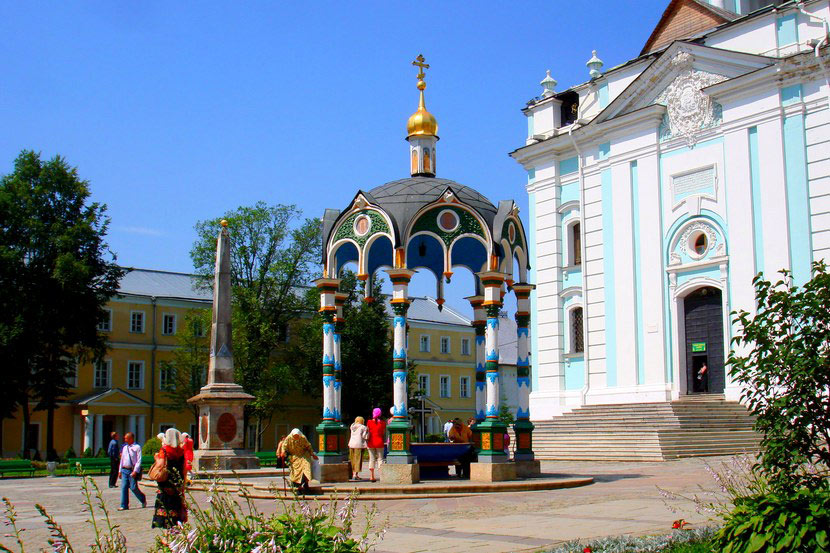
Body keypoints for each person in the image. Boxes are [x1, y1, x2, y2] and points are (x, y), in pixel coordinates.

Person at [151, 428, 187, 528]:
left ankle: (167, 537)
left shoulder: (165, 450)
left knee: (165, 515)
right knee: (175, 515)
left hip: (166, 486)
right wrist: (182, 487)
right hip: (176, 486)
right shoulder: (181, 452)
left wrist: (157, 459)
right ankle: (173, 534)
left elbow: (160, 465)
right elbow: (184, 471)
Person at [277, 428, 318, 494]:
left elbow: (308, 446)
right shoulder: (288, 438)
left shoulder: (303, 438)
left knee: (306, 469)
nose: (296, 437)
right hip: (295, 457)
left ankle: (306, 484)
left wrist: (312, 454)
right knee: (296, 472)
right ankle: (298, 487)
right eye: (295, 436)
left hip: (304, 455)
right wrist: (283, 452)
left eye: (297, 436)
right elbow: (284, 446)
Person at [118, 432, 146, 511]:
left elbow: (139, 460)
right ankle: (124, 505)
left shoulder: (137, 447)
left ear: (131, 438)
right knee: (124, 487)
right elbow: (122, 460)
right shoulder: (125, 447)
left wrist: (135, 471)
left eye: (126, 438)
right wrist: (120, 470)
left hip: (132, 470)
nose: (125, 439)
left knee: (133, 487)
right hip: (124, 470)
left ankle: (142, 498)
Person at [366, 408, 386, 483]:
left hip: (371, 443)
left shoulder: (369, 422)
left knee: (372, 459)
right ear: (380, 414)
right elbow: (383, 433)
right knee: (380, 459)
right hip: (379, 442)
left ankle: (372, 476)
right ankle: (381, 476)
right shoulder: (383, 423)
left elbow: (368, 432)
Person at [348, 416, 369, 480]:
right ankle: (355, 475)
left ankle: (352, 473)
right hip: (359, 445)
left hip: (351, 444)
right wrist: (367, 431)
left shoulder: (352, 426)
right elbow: (364, 436)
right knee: (358, 460)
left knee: (352, 459)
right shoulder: (363, 427)